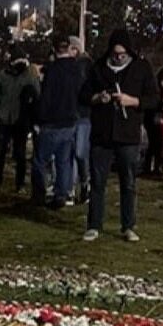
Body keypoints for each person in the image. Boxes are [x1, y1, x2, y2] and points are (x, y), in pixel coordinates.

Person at [82, 28, 159, 242]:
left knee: (128, 182)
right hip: (102, 134)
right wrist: (98, 98)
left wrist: (132, 101)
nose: (118, 58)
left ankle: (128, 225)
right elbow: (84, 94)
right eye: (115, 54)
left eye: (122, 54)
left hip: (128, 134)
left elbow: (153, 98)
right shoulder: (98, 67)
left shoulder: (141, 68)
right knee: (98, 181)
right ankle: (94, 224)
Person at [33, 35, 83, 208]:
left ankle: (39, 193)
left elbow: (46, 97)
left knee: (40, 160)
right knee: (64, 160)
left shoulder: (52, 70)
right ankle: (62, 193)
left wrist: (39, 118)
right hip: (70, 120)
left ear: (55, 50)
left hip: (51, 121)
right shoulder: (76, 69)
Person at [0, 46, 40, 191]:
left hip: (20, 120)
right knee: (0, 153)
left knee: (20, 153)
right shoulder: (3, 75)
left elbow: (37, 96)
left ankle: (19, 183)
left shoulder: (29, 77)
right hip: (5, 119)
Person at [68, 36, 92, 204]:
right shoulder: (71, 67)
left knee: (80, 153)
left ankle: (84, 183)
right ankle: (72, 187)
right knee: (71, 153)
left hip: (83, 115)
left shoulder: (85, 67)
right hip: (73, 115)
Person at [142, 65, 163, 177]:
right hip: (154, 118)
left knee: (154, 144)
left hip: (152, 117)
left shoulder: (158, 87)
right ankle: (155, 168)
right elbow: (158, 103)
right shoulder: (158, 88)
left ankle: (149, 167)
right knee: (157, 144)